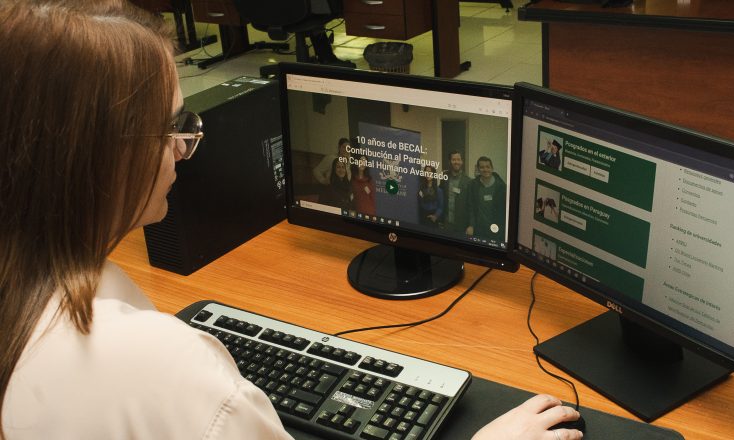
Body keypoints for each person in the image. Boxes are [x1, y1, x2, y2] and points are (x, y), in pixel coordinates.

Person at [0, 2, 583, 439]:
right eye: (173, 125)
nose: (184, 146)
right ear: (103, 155)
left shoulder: (27, 293)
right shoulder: (166, 367)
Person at [468, 156, 507, 241]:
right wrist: (471, 225)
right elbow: (471, 207)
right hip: (478, 230)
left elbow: (504, 211)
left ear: (492, 168)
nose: (485, 169)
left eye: (487, 167)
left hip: (496, 230)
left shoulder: (501, 187)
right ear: (478, 169)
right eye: (482, 167)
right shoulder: (473, 185)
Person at [439, 150, 473, 235]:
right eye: (453, 159)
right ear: (450, 161)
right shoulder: (445, 176)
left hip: (462, 225)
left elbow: (471, 205)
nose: (456, 162)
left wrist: (471, 225)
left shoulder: (468, 181)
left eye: (458, 159)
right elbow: (440, 196)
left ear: (462, 161)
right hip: (446, 223)